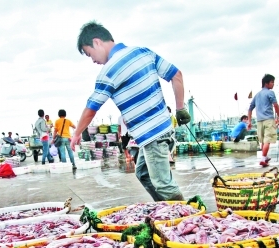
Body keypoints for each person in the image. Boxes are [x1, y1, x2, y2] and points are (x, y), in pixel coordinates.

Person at [71, 21, 190, 201]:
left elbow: (91, 109)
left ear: (97, 42)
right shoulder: (143, 52)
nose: (93, 60)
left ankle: (186, 221)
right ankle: (166, 210)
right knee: (143, 172)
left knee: (163, 184)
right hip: (163, 129)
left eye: (90, 54)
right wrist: (180, 108)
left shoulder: (108, 72)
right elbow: (176, 75)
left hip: (152, 135)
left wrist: (77, 133)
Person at [247, 74, 279, 167]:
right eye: (272, 82)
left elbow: (250, 109)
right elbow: (275, 105)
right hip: (268, 120)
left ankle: (265, 157)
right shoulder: (270, 93)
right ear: (266, 83)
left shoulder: (257, 95)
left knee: (263, 141)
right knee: (267, 141)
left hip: (259, 121)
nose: (273, 84)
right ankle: (263, 158)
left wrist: (249, 121)